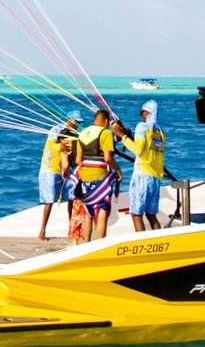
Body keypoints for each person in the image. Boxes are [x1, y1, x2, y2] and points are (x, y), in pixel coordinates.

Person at [116, 99, 166, 232]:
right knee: (151, 215)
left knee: (136, 214)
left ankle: (141, 241)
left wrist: (122, 136)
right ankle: (159, 240)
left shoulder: (141, 127)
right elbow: (146, 147)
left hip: (142, 176)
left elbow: (138, 150)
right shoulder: (159, 131)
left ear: (146, 112)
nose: (141, 115)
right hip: (155, 178)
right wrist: (128, 135)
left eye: (142, 112)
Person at [75, 108, 122, 241]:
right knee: (103, 210)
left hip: (85, 178)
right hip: (101, 179)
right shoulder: (105, 133)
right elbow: (108, 158)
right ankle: (99, 242)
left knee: (88, 212)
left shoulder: (83, 133)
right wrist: (118, 170)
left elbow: (78, 160)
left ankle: (87, 242)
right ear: (106, 121)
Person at [37, 109, 83, 240]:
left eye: (79, 122)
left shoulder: (76, 133)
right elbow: (51, 145)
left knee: (72, 197)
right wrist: (60, 147)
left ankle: (72, 229)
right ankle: (42, 231)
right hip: (50, 169)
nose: (77, 125)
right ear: (69, 119)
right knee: (50, 200)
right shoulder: (56, 130)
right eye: (75, 122)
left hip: (67, 168)